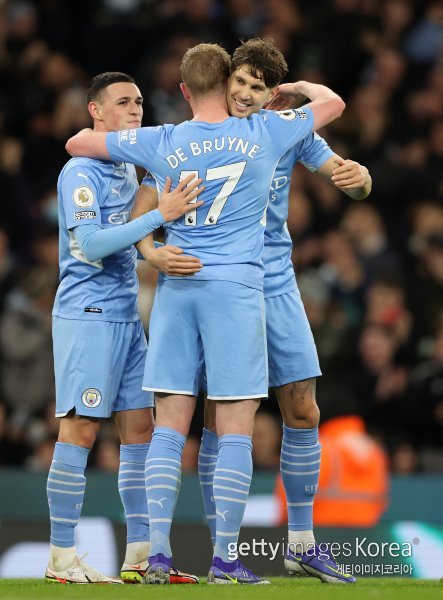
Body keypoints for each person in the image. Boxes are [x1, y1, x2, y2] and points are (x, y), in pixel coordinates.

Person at [65, 43, 345, 585]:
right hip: (235, 289)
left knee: (170, 427)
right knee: (235, 426)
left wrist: (150, 244)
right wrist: (298, 91)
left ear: (184, 90)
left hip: (176, 286)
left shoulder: (162, 140)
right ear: (226, 83)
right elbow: (332, 105)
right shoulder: (264, 132)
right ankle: (224, 561)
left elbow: (79, 142)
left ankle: (158, 556)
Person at [197, 38, 371, 585]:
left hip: (277, 281)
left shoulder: (286, 129)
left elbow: (346, 176)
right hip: (223, 282)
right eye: (240, 82)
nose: (245, 94)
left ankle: (301, 544)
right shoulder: (201, 131)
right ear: (226, 80)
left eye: (258, 86)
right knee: (221, 418)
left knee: (303, 411)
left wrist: (360, 179)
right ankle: (220, 550)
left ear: (272, 93)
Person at [46, 71, 202, 585]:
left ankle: (139, 556)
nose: (135, 110)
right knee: (81, 429)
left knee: (140, 430)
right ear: (96, 111)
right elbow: (90, 245)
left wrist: (154, 250)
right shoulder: (80, 172)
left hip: (127, 316)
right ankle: (60, 559)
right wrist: (159, 215)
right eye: (122, 102)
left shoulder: (127, 169)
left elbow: (129, 242)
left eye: (138, 102)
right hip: (87, 316)